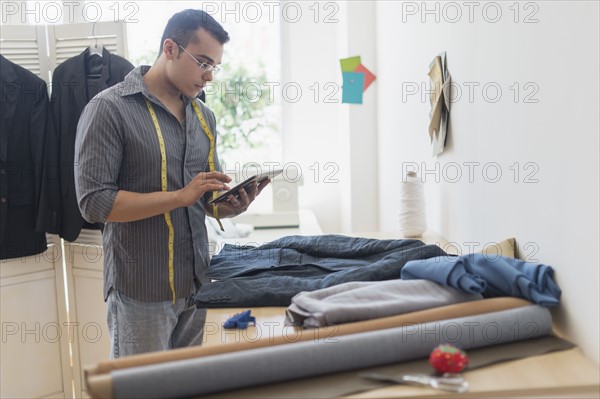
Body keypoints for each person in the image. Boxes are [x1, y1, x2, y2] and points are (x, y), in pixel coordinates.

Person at [74, 9, 269, 358]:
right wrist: (179, 197)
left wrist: (229, 205)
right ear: (170, 48)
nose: (209, 76)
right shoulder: (109, 109)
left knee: (184, 386)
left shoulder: (204, 116)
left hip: (195, 284)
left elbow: (204, 199)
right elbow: (94, 203)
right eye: (203, 63)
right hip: (141, 290)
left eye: (215, 67)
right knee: (142, 389)